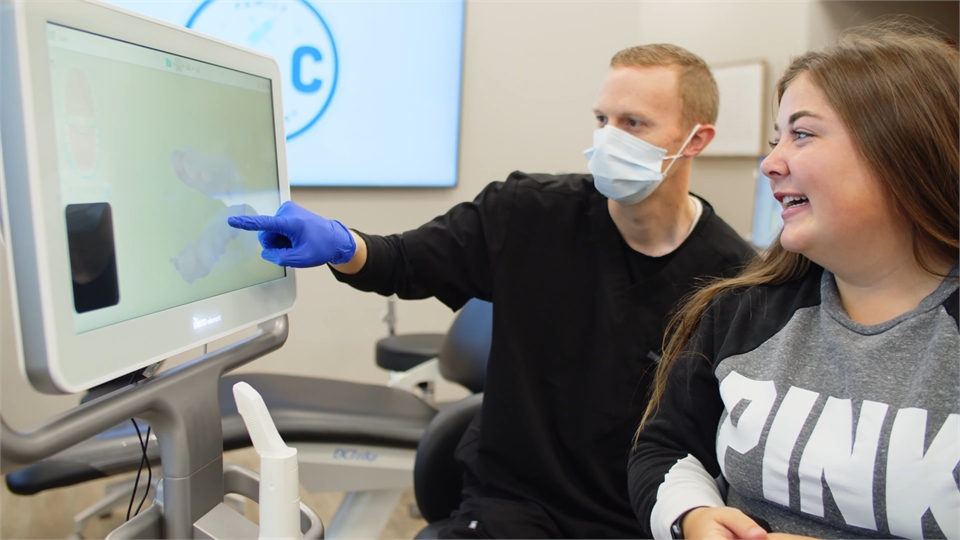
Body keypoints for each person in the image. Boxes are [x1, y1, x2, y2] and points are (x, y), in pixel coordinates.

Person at [229, 44, 755, 538]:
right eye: (602, 120)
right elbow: (407, 261)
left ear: (697, 140)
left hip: (634, 521)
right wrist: (343, 244)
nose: (608, 139)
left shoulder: (734, 281)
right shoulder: (528, 213)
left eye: (633, 123)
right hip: (510, 507)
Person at [628, 19, 959, 540]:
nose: (770, 164)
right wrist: (692, 517)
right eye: (775, 139)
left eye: (801, 134)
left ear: (902, 146)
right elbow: (667, 448)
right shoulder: (741, 311)